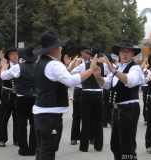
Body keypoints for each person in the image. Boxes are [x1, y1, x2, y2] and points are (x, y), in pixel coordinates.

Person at [33, 31, 98, 160]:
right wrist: (91, 69)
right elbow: (70, 81)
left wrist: (70, 67)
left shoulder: (41, 63)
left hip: (41, 111)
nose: (61, 48)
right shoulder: (54, 64)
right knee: (48, 150)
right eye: (59, 45)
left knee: (42, 148)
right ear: (53, 49)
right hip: (50, 113)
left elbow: (58, 77)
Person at [93, 40, 144, 160]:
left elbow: (130, 81)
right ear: (119, 53)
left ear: (133, 54)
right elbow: (105, 84)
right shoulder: (118, 67)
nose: (125, 54)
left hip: (129, 110)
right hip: (117, 110)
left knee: (127, 148)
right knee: (115, 146)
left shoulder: (135, 68)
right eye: (122, 51)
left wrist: (113, 71)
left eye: (128, 51)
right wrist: (97, 76)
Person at [71, 45, 110, 152]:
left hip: (86, 93)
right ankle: (98, 145)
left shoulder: (84, 65)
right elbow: (112, 73)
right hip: (98, 94)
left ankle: (84, 147)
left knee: (86, 120)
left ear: (90, 55)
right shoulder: (104, 66)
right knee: (98, 121)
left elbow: (71, 72)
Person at [0, 43, 37, 156]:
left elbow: (4, 76)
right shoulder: (39, 66)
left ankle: (23, 149)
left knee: (22, 124)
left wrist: (4, 67)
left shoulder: (18, 67)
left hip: (22, 97)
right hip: (35, 97)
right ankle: (33, 148)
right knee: (34, 124)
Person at [0, 46, 18, 147]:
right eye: (13, 54)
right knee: (4, 118)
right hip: (7, 94)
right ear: (9, 55)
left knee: (17, 118)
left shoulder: (21, 65)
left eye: (17, 54)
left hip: (17, 94)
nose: (15, 56)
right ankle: (2, 139)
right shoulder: (5, 65)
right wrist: (1, 65)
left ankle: (17, 139)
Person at [70, 42, 92, 145]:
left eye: (89, 50)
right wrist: (75, 65)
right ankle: (74, 137)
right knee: (77, 114)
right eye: (85, 50)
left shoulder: (92, 61)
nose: (88, 52)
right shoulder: (77, 61)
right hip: (79, 89)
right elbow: (69, 73)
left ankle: (90, 137)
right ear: (81, 52)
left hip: (89, 90)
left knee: (89, 115)